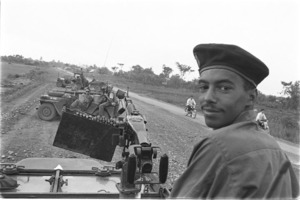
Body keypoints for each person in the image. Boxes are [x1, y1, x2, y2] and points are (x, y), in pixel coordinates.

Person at [170, 43, 299, 199]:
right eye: (204, 87)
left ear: (251, 97)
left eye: (224, 88)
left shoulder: (217, 145)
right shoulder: (274, 147)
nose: (208, 98)